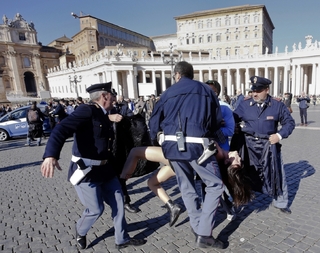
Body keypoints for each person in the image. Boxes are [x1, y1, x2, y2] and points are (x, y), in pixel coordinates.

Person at [40, 82, 146, 250]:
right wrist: (51, 155)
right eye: (112, 95)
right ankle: (81, 231)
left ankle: (122, 239)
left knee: (119, 202)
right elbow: (61, 129)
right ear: (104, 96)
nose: (115, 98)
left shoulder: (104, 113)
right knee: (96, 209)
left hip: (106, 170)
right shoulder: (86, 110)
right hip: (86, 171)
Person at [149, 61, 226, 249]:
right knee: (215, 185)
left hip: (172, 147)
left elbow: (153, 122)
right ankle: (205, 233)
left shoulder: (167, 93)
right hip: (198, 146)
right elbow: (215, 122)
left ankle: (196, 224)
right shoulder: (205, 90)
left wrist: (158, 139)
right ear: (192, 74)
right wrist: (222, 143)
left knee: (186, 187)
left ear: (176, 75)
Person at [120, 143, 252, 227]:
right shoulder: (219, 157)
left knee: (135, 152)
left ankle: (122, 179)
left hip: (176, 157)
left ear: (228, 162)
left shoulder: (217, 152)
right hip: (179, 166)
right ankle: (172, 206)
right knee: (151, 183)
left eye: (237, 162)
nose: (239, 157)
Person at [231, 76, 295, 215]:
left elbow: (289, 123)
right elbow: (233, 118)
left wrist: (278, 136)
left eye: (258, 90)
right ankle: (240, 199)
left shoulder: (277, 105)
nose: (254, 93)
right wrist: (234, 126)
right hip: (248, 146)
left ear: (267, 90)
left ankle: (281, 202)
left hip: (269, 144)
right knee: (242, 173)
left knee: (277, 173)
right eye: (253, 90)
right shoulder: (244, 104)